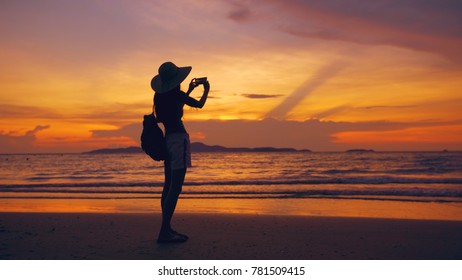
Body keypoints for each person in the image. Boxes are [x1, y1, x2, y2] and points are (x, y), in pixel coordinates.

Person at [151, 61, 209, 243]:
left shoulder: (159, 98)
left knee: (168, 185)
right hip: (179, 139)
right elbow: (199, 105)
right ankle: (164, 231)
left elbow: (174, 107)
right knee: (175, 188)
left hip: (168, 139)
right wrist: (206, 89)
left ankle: (166, 227)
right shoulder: (178, 96)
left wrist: (188, 91)